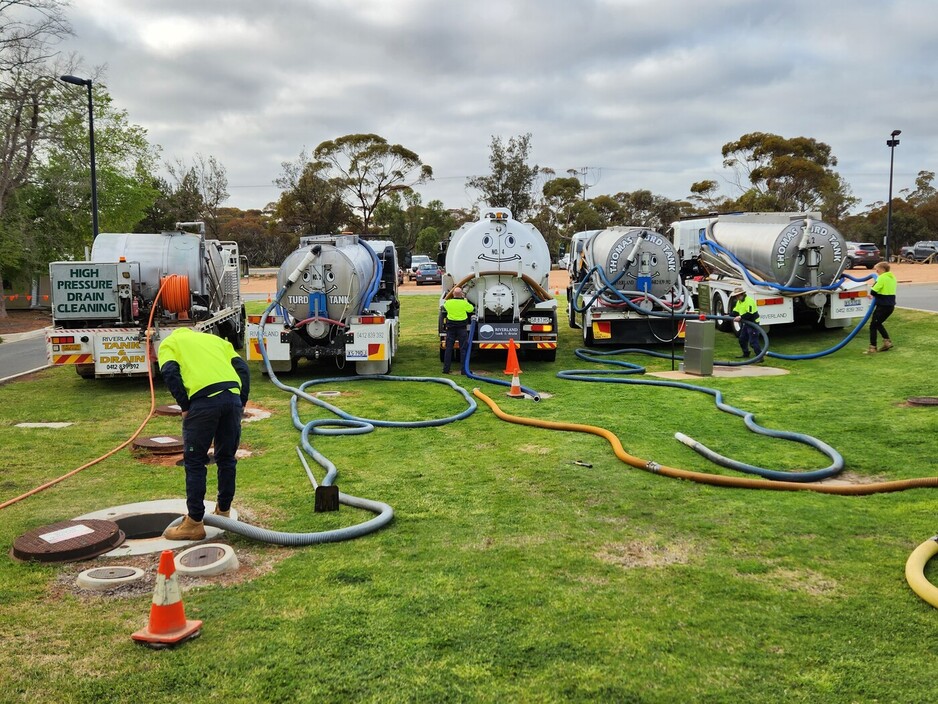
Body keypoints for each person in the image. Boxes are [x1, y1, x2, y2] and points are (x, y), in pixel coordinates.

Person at [158, 328, 250, 540]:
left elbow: (170, 372)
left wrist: (184, 405)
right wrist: (240, 402)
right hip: (231, 399)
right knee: (226, 458)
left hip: (203, 402)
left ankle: (194, 523)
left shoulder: (169, 343)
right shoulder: (215, 340)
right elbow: (243, 369)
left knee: (195, 462)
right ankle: (224, 511)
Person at [442, 286, 475, 374]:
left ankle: (446, 369)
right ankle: (464, 370)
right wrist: (465, 300)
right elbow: (471, 309)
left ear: (453, 294)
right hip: (461, 328)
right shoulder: (464, 303)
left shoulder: (448, 303)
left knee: (449, 348)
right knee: (463, 349)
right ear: (461, 295)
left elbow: (444, 305)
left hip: (451, 328)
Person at [867, 261, 897, 354]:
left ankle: (873, 347)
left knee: (873, 325)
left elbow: (873, 291)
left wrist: (872, 294)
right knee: (878, 324)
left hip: (882, 306)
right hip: (890, 306)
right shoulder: (892, 278)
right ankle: (887, 342)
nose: (876, 271)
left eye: (877, 269)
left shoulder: (881, 278)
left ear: (883, 269)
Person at [730, 286, 762, 359]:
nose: (736, 297)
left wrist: (740, 317)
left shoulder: (749, 301)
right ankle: (746, 353)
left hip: (753, 323)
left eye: (737, 295)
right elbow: (736, 311)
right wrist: (728, 315)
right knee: (742, 339)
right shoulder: (739, 302)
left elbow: (749, 314)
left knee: (753, 342)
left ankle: (760, 357)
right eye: (736, 296)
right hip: (746, 323)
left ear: (742, 294)